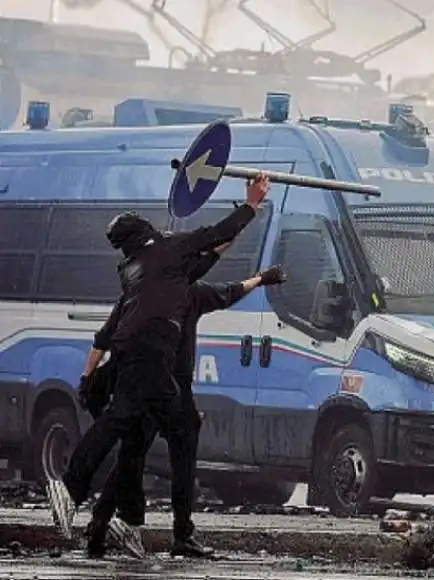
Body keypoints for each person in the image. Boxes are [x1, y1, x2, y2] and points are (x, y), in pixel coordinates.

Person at [47, 175, 270, 542]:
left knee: (156, 429)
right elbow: (217, 234)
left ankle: (130, 522)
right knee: (123, 421)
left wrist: (89, 378)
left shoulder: (136, 269)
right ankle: (71, 488)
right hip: (150, 351)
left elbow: (206, 258)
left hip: (141, 356)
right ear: (147, 230)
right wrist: (251, 203)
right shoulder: (168, 251)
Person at [79, 246, 286, 558]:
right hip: (172, 387)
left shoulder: (138, 293)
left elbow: (105, 337)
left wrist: (88, 378)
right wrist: (261, 278)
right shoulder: (191, 293)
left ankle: (99, 526)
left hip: (139, 383)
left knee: (131, 456)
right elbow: (231, 292)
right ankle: (181, 535)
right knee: (183, 457)